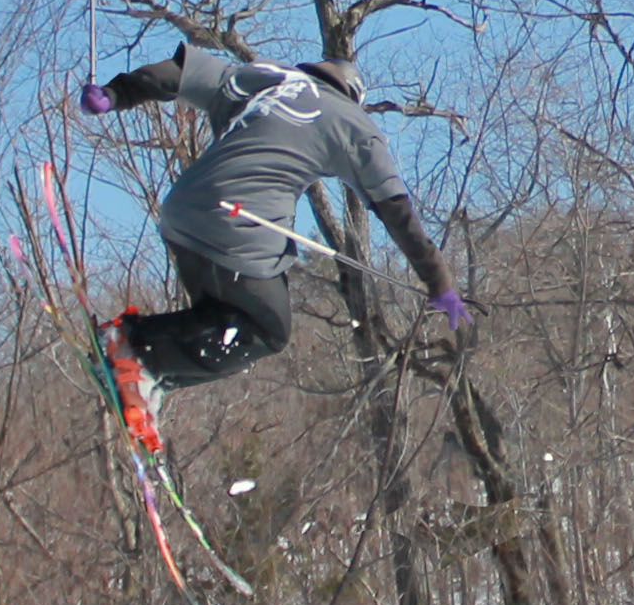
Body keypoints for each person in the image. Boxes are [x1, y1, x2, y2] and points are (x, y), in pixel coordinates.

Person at [82, 42, 467, 397]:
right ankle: (135, 352)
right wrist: (439, 280)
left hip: (182, 212)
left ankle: (145, 375)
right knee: (267, 328)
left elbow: (176, 74)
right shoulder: (354, 123)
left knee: (221, 319)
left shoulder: (266, 77)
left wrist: (117, 93)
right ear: (354, 96)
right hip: (240, 226)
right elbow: (396, 210)